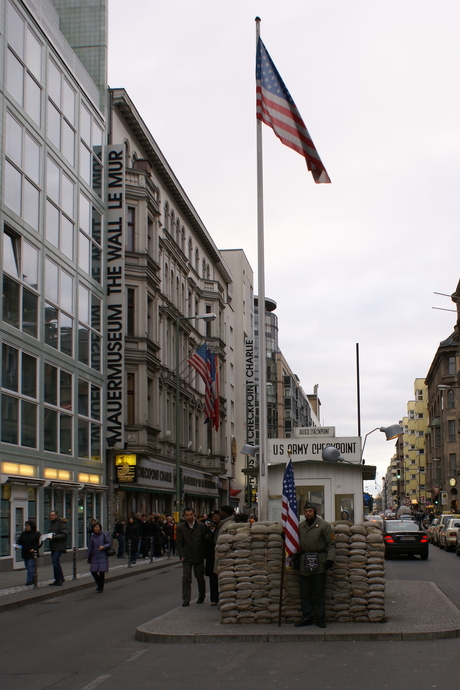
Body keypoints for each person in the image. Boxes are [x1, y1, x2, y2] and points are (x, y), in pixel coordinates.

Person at [294, 502, 336, 629]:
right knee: (305, 592)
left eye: (310, 511)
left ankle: (320, 618)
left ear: (315, 512)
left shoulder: (324, 526)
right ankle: (307, 616)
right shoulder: (301, 526)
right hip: (304, 562)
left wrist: (330, 559)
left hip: (319, 561)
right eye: (306, 511)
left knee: (319, 592)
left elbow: (331, 544)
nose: (308, 513)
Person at [176, 507, 207, 606]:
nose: (189, 517)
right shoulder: (181, 528)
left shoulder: (201, 526)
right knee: (186, 578)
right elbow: (179, 543)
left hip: (198, 556)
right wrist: (181, 554)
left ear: (194, 515)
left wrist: (204, 553)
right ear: (184, 516)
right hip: (187, 557)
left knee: (199, 577)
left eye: (190, 515)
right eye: (187, 515)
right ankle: (186, 599)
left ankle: (201, 596)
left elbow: (204, 541)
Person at [86, 522, 112, 593]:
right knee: (93, 571)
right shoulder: (92, 536)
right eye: (94, 527)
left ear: (100, 528)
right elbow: (90, 547)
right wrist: (87, 556)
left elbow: (109, 543)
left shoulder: (104, 535)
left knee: (101, 572)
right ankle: (99, 583)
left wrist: (104, 547)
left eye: (97, 527)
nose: (96, 529)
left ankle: (100, 587)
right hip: (94, 555)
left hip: (102, 555)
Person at [17, 520, 41, 585]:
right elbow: (20, 541)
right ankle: (33, 578)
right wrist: (17, 545)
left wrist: (34, 548)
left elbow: (39, 543)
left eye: (27, 526)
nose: (26, 527)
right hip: (25, 552)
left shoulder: (36, 534)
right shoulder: (23, 534)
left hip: (32, 553)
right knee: (27, 566)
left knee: (30, 566)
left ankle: (29, 581)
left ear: (31, 526)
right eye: (25, 526)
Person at [204, 511, 220, 605]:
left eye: (217, 516)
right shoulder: (207, 528)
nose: (216, 518)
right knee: (212, 578)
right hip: (211, 556)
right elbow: (205, 540)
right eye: (214, 516)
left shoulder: (221, 527)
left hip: (220, 556)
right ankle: (213, 599)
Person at [48, 510, 68, 586]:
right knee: (54, 562)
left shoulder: (61, 524)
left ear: (56, 516)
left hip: (59, 546)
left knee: (55, 560)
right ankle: (57, 579)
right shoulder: (51, 524)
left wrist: (55, 536)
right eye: (50, 515)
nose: (51, 517)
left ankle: (60, 578)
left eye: (52, 515)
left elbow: (64, 535)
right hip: (53, 546)